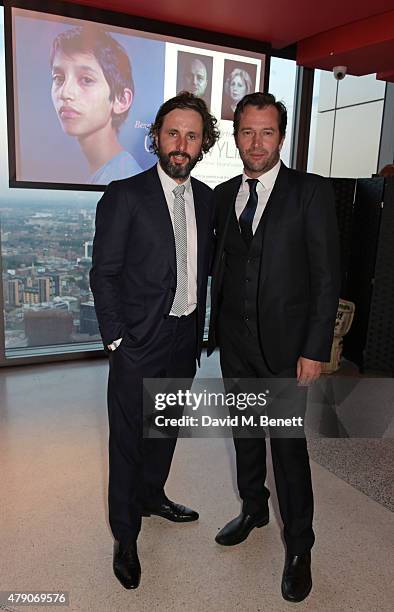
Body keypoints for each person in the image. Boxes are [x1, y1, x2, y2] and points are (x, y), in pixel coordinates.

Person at [208, 92, 340, 602]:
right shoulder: (224, 195)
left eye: (267, 132)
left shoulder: (310, 192)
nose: (257, 142)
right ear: (236, 136)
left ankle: (300, 546)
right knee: (244, 434)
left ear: (280, 138)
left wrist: (315, 347)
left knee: (287, 450)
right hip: (235, 344)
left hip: (287, 349)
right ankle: (253, 509)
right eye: (247, 132)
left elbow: (327, 277)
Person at [90, 91, 219, 589]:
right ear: (156, 138)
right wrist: (116, 340)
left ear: (203, 141)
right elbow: (104, 274)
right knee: (127, 440)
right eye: (172, 133)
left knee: (164, 428)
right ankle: (125, 535)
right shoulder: (124, 195)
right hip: (138, 340)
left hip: (184, 335)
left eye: (191, 134)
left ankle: (153, 496)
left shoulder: (207, 199)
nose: (181, 144)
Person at [50, 25, 142, 184]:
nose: (65, 93)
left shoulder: (124, 179)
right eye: (59, 78)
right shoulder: (106, 174)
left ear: (121, 100)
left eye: (86, 80)